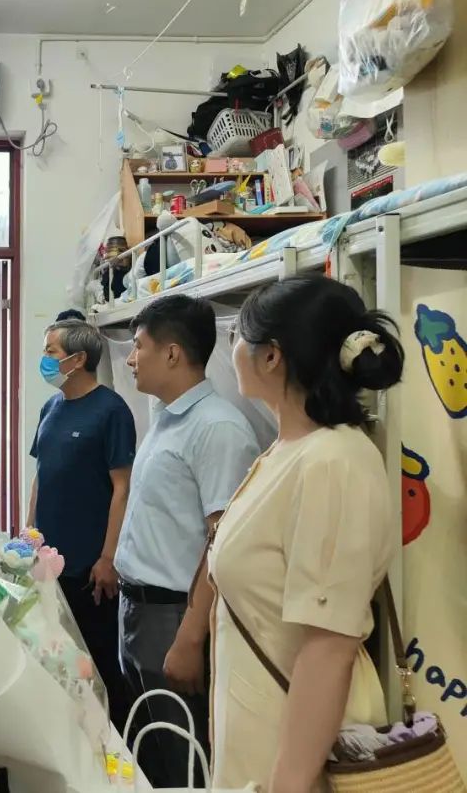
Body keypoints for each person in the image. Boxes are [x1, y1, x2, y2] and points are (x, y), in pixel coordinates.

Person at [209, 275, 403, 792]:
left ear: (272, 356)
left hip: (299, 751)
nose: (232, 348)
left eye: (238, 336)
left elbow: (330, 644)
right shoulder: (286, 451)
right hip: (260, 730)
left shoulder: (333, 462)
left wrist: (289, 782)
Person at [113, 295, 260, 788]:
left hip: (175, 616)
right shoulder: (166, 417)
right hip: (138, 610)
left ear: (172, 353)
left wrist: (191, 637)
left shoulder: (218, 428)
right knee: (149, 752)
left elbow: (222, 545)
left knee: (185, 760)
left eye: (139, 346)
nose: (131, 359)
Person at [28, 318, 136, 730]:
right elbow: (42, 475)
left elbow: (122, 488)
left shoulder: (111, 411)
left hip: (90, 569)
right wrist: (29, 535)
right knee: (57, 662)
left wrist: (108, 558)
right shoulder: (51, 408)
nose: (44, 359)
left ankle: (115, 749)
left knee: (99, 667)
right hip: (48, 564)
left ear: (78, 360)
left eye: (51, 352)